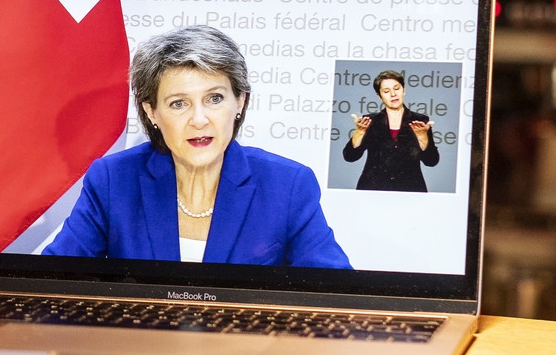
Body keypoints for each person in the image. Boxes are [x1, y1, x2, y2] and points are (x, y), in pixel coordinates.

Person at [44, 25, 351, 268]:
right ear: (152, 112)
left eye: (214, 99)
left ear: (240, 101)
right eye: (179, 104)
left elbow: (333, 293)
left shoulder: (287, 185)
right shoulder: (113, 180)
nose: (199, 119)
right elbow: (52, 282)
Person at [342, 69, 440, 191]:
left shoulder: (420, 121)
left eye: (397, 88)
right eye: (386, 91)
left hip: (410, 190)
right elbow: (350, 157)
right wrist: (359, 133)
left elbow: (431, 161)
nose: (393, 94)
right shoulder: (369, 121)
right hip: (373, 189)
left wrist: (423, 138)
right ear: (379, 96)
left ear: (404, 90)